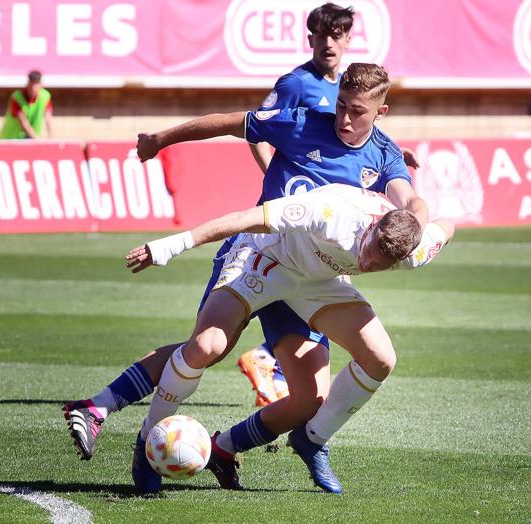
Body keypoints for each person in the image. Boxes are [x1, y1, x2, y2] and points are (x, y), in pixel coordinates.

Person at [63, 63, 428, 495]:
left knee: (309, 400)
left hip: (315, 278)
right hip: (262, 255)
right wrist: (162, 140)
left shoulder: (384, 153)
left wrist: (417, 226)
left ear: (380, 112)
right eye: (342, 107)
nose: (346, 119)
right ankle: (140, 437)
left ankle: (228, 447)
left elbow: (411, 204)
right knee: (206, 347)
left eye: (358, 112)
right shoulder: (300, 121)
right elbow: (229, 123)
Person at [124, 183, 453, 493]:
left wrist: (418, 218)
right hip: (265, 261)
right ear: (374, 226)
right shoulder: (330, 212)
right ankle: (149, 439)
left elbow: (447, 226)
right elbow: (243, 219)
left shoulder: (415, 250)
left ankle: (312, 438)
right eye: (368, 252)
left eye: (379, 266)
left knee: (381, 359)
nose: (367, 263)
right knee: (206, 345)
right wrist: (171, 245)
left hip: (319, 283)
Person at [241, 2, 354, 408]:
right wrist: (275, 174)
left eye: (337, 35)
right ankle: (267, 359)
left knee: (315, 295)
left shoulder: (345, 88)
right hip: (294, 218)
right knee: (316, 293)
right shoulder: (295, 83)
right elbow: (255, 129)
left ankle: (271, 362)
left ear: (347, 39)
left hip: (326, 219)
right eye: (322, 35)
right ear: (311, 40)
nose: (329, 43)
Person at [0, 70, 53, 140]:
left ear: (41, 85)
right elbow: (24, 124)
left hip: (31, 139)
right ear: (28, 84)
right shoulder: (17, 97)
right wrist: (37, 140)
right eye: (31, 85)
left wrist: (51, 139)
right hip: (10, 139)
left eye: (36, 85)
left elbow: (48, 120)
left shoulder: (45, 97)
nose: (33, 89)